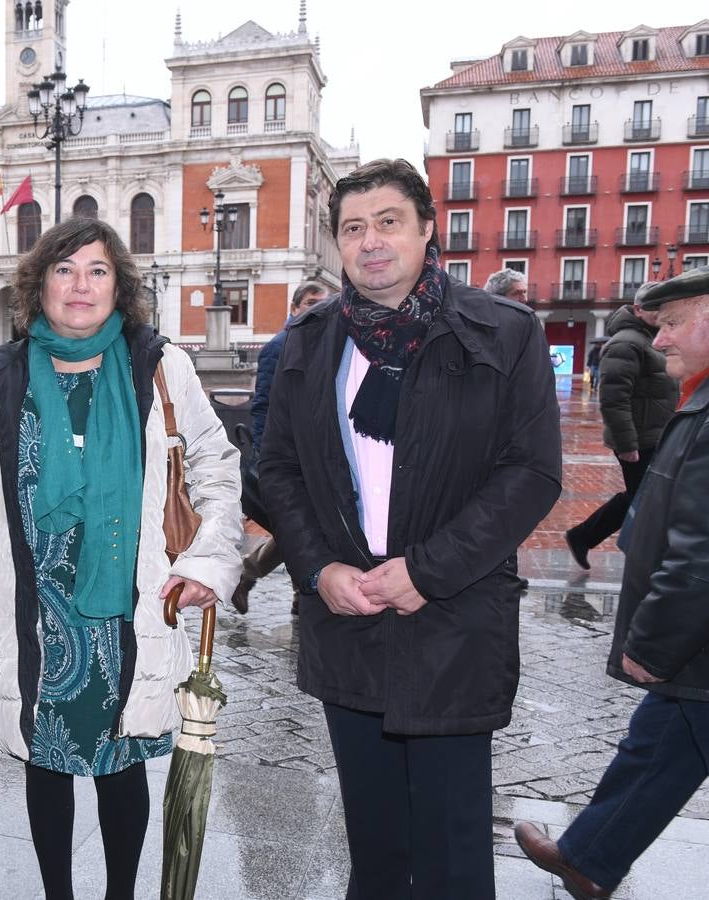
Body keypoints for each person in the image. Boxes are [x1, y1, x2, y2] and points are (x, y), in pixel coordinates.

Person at [257, 158, 562, 899]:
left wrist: (427, 571)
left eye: (388, 221)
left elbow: (532, 473)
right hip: (348, 619)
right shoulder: (308, 341)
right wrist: (318, 569)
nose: (371, 242)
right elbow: (278, 469)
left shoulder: (503, 331)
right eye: (353, 228)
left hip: (454, 622)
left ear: (428, 228)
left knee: (456, 853)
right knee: (375, 844)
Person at [0, 216, 242, 899]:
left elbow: (217, 466)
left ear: (119, 285)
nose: (81, 285)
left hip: (125, 608)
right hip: (32, 611)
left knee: (120, 762)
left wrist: (207, 561)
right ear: (38, 285)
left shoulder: (158, 365)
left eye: (97, 271)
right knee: (44, 763)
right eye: (65, 270)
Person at [514, 266, 709, 900]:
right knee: (660, 744)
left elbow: (701, 557)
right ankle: (590, 858)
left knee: (664, 739)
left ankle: (590, 857)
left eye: (675, 323)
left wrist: (653, 645)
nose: (662, 340)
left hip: (693, 642)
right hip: (697, 657)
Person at [231, 280, 330, 613]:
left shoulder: (325, 342)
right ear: (294, 308)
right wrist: (264, 454)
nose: (317, 308)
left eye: (322, 303)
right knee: (299, 523)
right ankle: (301, 592)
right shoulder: (279, 345)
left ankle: (251, 574)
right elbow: (263, 404)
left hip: (316, 455)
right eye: (310, 302)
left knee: (301, 525)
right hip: (287, 455)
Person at [565, 284, 677, 570]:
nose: (660, 312)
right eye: (654, 307)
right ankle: (640, 556)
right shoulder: (627, 342)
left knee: (643, 496)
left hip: (653, 434)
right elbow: (614, 399)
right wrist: (627, 445)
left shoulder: (650, 340)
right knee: (648, 500)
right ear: (638, 309)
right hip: (638, 439)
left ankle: (584, 536)